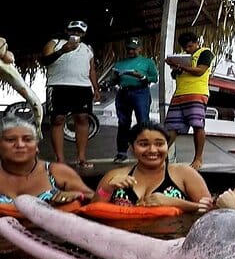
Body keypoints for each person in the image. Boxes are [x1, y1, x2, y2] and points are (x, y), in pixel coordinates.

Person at [94, 121, 211, 213]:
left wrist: (175, 203)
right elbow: (92, 211)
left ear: (167, 146)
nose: (152, 150)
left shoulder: (184, 174)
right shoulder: (115, 176)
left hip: (172, 235)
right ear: (132, 147)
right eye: (144, 144)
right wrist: (107, 189)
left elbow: (211, 211)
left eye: (159, 144)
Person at [40, 20, 100, 169]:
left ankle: (81, 158)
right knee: (58, 119)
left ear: (83, 34)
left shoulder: (87, 48)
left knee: (82, 118)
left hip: (83, 87)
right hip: (58, 86)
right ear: (67, 31)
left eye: (79, 32)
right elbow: (44, 61)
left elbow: (91, 69)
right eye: (73, 30)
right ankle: (60, 160)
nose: (76, 33)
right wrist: (62, 51)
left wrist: (96, 88)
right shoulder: (55, 43)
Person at [0, 116, 94, 205]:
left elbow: (96, 198)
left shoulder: (57, 171)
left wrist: (79, 195)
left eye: (27, 139)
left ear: (36, 146)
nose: (20, 145)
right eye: (10, 140)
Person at [164, 32, 215, 170]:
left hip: (197, 93)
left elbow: (200, 71)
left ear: (197, 42)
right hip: (179, 94)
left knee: (197, 125)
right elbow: (174, 75)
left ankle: (198, 158)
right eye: (185, 47)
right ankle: (161, 155)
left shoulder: (205, 53)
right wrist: (175, 67)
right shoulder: (183, 57)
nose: (187, 49)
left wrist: (180, 66)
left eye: (190, 46)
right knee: (171, 127)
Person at [112, 37, 158, 163]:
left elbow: (154, 78)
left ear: (140, 49)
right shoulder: (120, 63)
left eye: (134, 49)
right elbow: (114, 80)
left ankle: (146, 151)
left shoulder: (147, 62)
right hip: (123, 92)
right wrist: (114, 78)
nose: (131, 51)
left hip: (140, 91)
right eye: (129, 49)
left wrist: (142, 76)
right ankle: (121, 152)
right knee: (123, 123)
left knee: (143, 122)